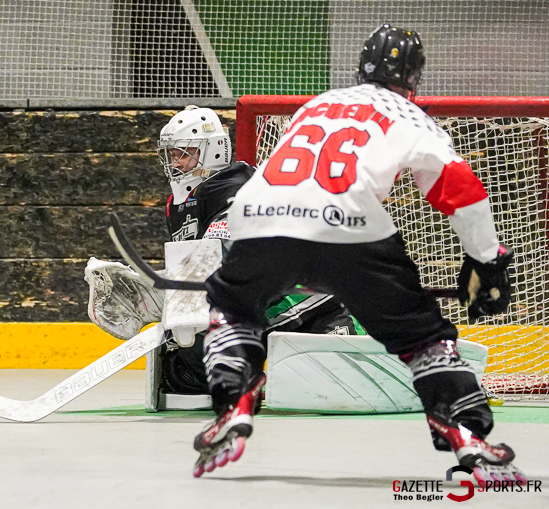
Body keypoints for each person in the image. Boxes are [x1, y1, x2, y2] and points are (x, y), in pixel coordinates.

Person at [192, 25, 523, 483]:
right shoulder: (410, 116)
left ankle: (234, 396)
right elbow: (460, 190)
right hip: (350, 227)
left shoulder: (318, 104)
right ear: (415, 76)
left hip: (259, 217)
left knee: (232, 309)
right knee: (422, 336)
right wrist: (487, 260)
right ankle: (464, 427)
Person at [86, 105, 363, 401]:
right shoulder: (179, 205)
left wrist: (156, 292)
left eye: (185, 153)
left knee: (343, 389)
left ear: (213, 151)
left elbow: (221, 259)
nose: (176, 162)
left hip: (312, 305)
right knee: (182, 373)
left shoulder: (240, 188)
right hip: (255, 308)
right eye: (172, 154)